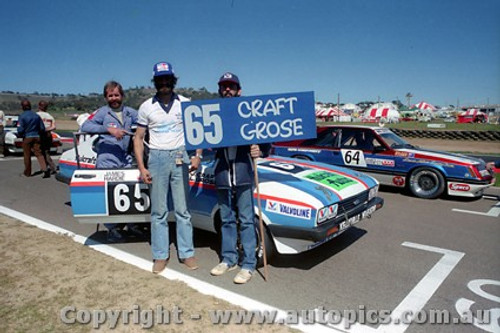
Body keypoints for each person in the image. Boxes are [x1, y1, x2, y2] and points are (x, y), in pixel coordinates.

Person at [134, 61, 202, 274]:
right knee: (159, 211)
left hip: (180, 155)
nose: (164, 82)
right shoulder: (146, 106)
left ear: (173, 80)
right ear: (155, 81)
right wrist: (142, 167)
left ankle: (187, 253)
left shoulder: (185, 102)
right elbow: (138, 138)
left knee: (182, 210)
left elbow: (196, 131)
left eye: (167, 79)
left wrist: (197, 155)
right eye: (160, 79)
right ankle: (160, 255)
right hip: (157, 158)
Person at [209, 72, 270, 284]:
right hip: (223, 174)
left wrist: (259, 150)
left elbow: (266, 140)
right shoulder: (213, 113)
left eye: (231, 86)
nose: (228, 90)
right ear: (219, 90)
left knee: (246, 220)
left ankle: (249, 264)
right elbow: (205, 140)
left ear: (239, 90)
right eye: (224, 86)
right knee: (226, 219)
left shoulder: (250, 112)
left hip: (244, 174)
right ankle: (229, 258)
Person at [81, 81, 145, 242]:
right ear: (106, 97)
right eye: (110, 95)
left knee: (130, 193)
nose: (114, 98)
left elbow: (145, 122)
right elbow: (85, 126)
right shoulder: (103, 112)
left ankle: (132, 225)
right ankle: (112, 228)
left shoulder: (130, 112)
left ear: (122, 96)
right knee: (109, 196)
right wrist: (108, 129)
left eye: (116, 95)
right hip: (107, 159)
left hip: (126, 157)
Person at [17, 100, 49, 178]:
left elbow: (20, 129)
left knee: (27, 155)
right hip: (37, 136)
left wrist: (21, 135)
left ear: (23, 107)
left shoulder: (22, 116)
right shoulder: (36, 116)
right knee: (39, 153)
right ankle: (44, 168)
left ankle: (27, 172)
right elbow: (42, 128)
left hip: (27, 137)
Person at [36, 100, 57, 174]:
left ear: (39, 106)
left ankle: (51, 167)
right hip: (48, 134)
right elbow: (54, 126)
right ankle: (46, 166)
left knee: (42, 152)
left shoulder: (36, 115)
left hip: (40, 135)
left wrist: (43, 130)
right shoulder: (49, 116)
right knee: (46, 151)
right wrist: (47, 129)